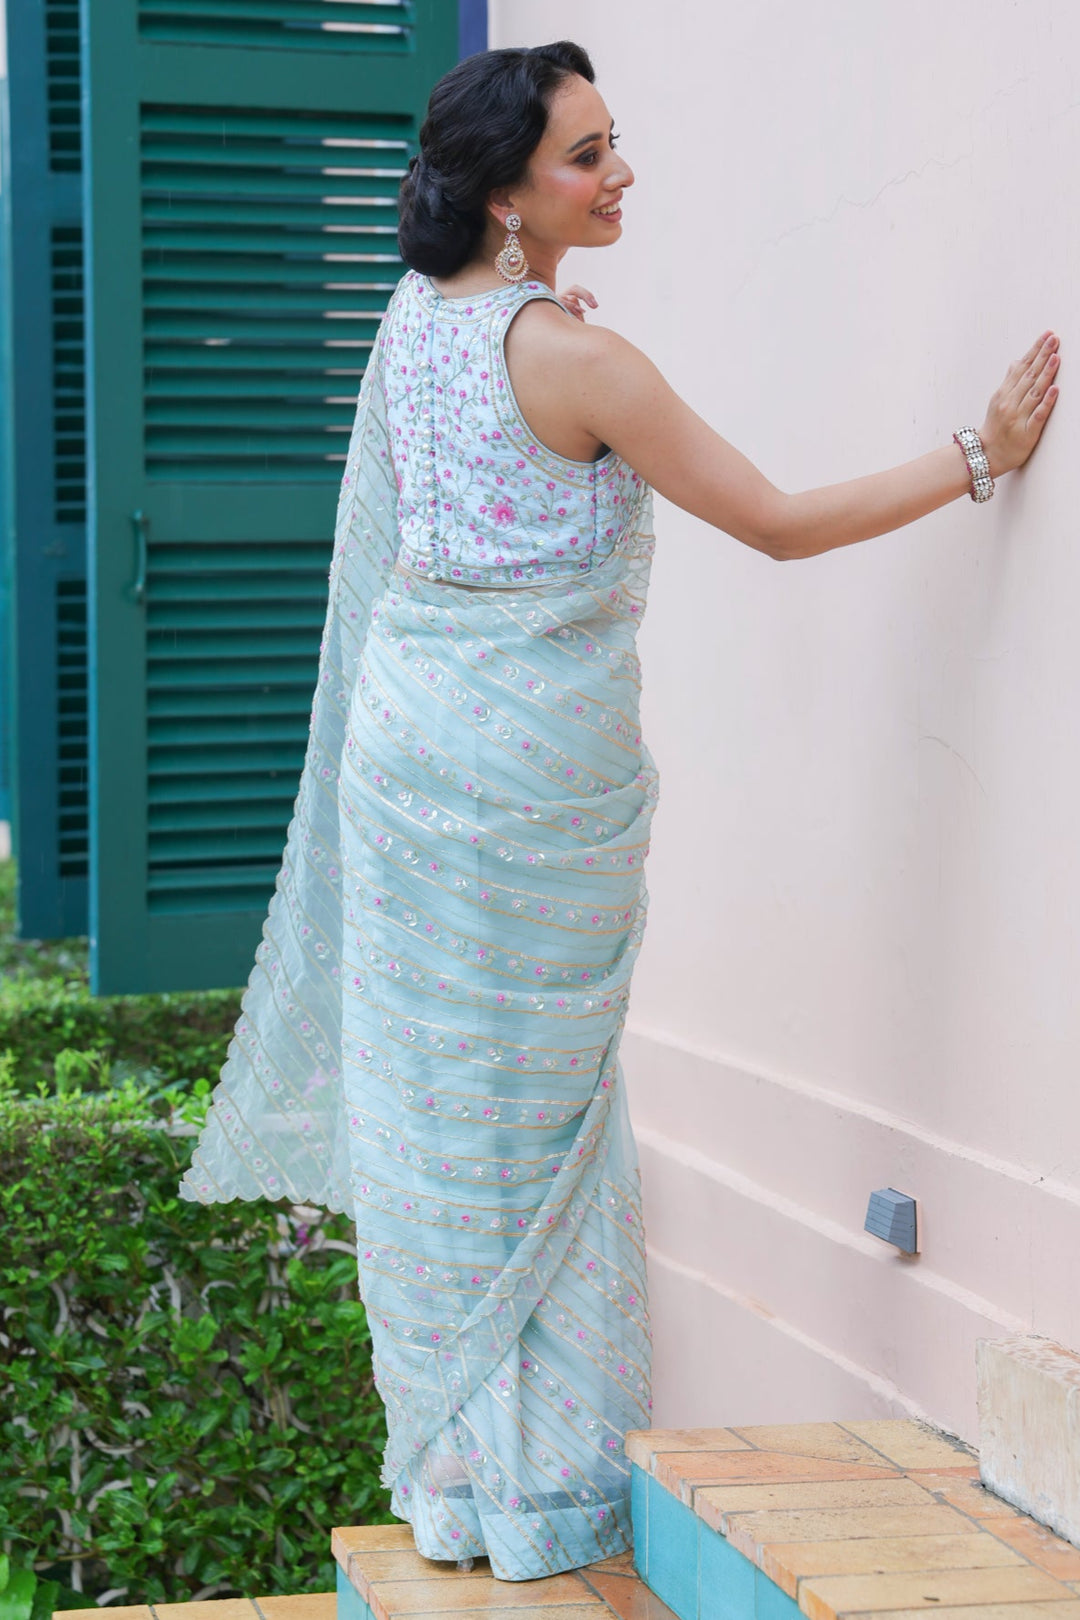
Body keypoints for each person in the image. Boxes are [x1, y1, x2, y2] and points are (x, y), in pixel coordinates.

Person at [180, 40, 1060, 1583]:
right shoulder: (587, 364)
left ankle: (459, 1490)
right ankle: (544, 1501)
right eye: (587, 156)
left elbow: (427, 523)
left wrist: (536, 322)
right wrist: (977, 453)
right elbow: (778, 526)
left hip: (409, 763)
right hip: (525, 789)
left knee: (448, 1115)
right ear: (508, 194)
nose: (622, 172)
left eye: (612, 141)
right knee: (550, 1124)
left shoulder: (412, 326)